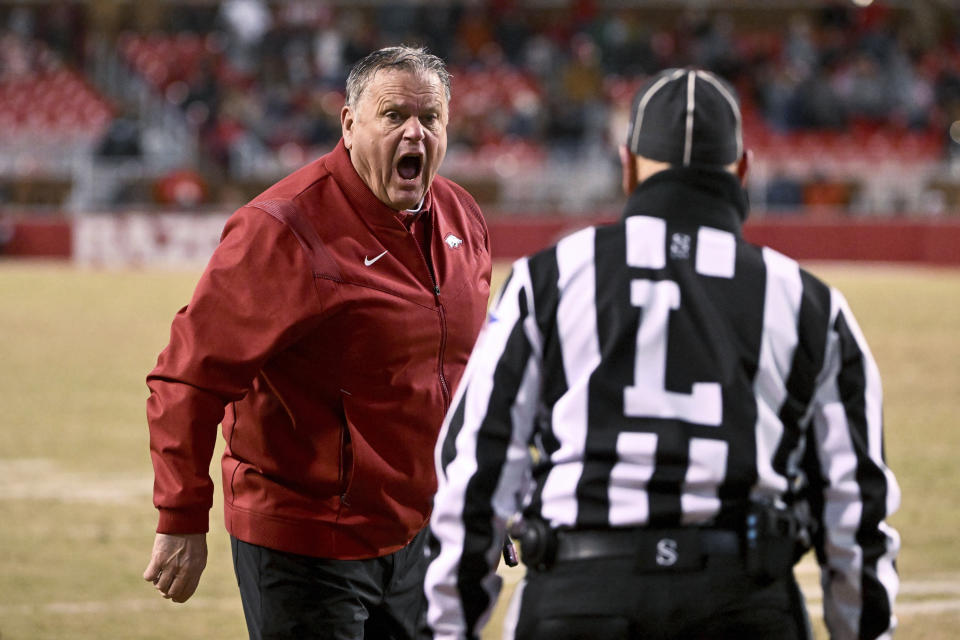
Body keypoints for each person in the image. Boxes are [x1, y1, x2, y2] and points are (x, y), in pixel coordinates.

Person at [423, 68, 900, 639]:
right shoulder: (807, 301)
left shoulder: (549, 277)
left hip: (579, 596)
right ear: (743, 170)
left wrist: (447, 629)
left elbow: (474, 465)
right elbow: (856, 504)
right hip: (741, 600)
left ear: (628, 167)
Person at [142, 45, 492, 639]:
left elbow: (466, 374)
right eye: (393, 115)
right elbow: (188, 377)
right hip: (307, 541)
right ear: (350, 125)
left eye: (430, 118)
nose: (415, 131)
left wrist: (483, 494)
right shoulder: (283, 229)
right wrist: (181, 514)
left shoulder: (461, 216)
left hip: (424, 535)